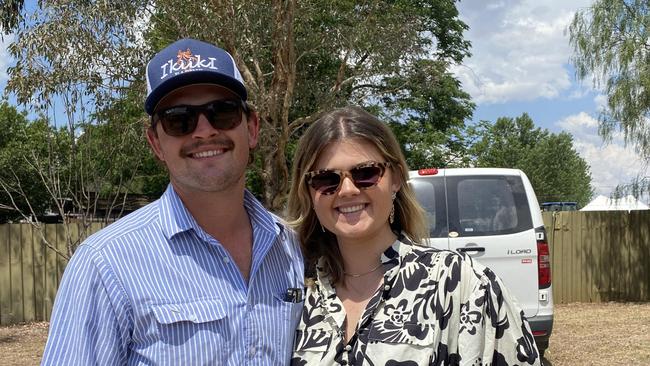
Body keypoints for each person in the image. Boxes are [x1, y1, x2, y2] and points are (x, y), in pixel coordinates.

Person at [41, 38, 304, 365]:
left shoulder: (292, 249)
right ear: (156, 144)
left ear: (251, 128)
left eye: (222, 112)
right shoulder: (105, 264)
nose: (204, 131)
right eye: (179, 119)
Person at [286, 106, 540, 365]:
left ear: (395, 178)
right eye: (326, 179)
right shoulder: (292, 292)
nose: (348, 190)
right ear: (307, 191)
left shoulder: (461, 284)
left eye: (366, 173)